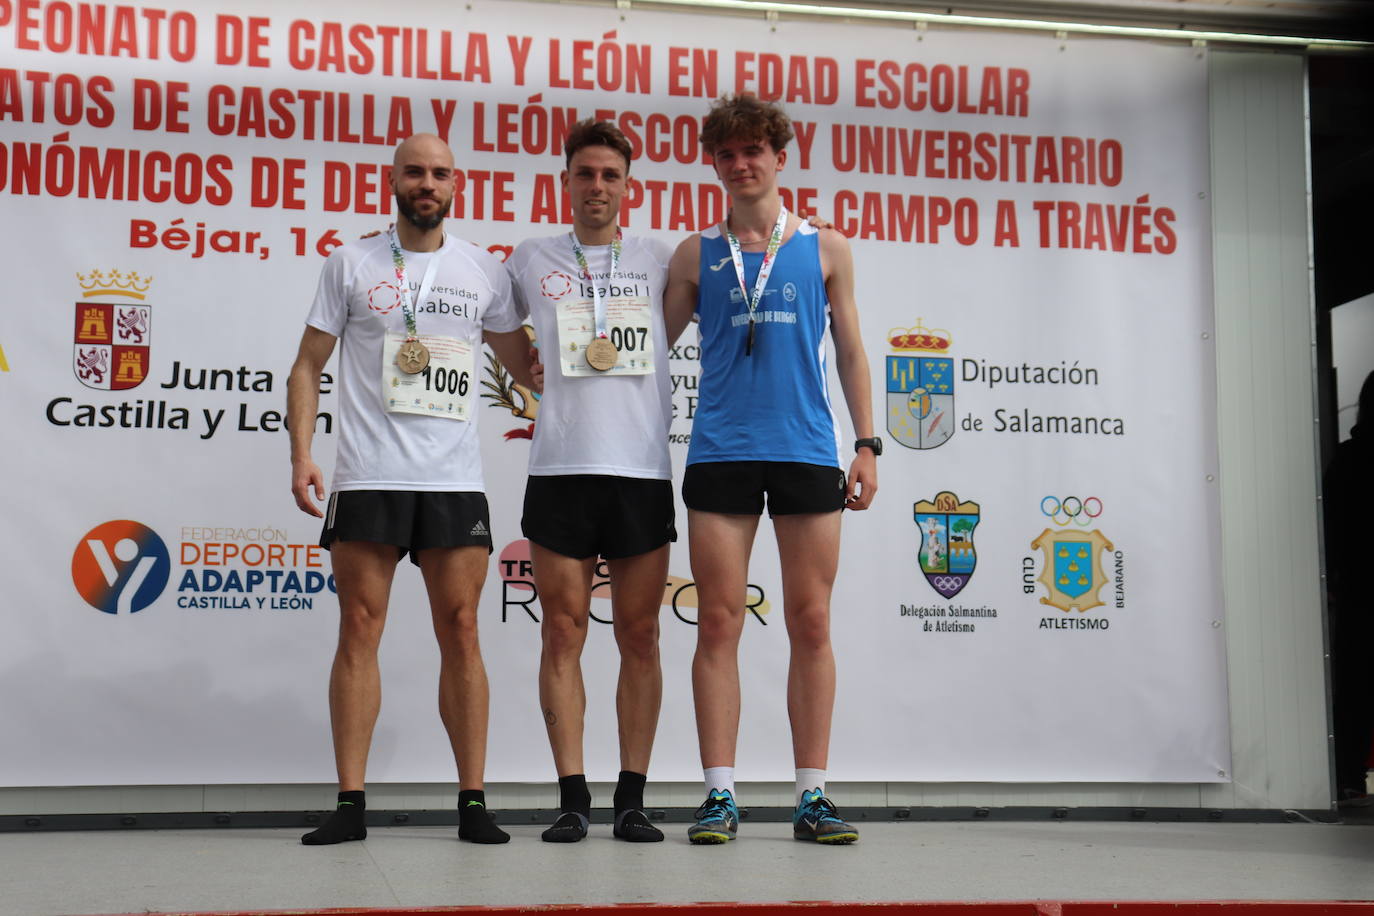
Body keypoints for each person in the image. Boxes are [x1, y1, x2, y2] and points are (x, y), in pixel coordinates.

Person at [287, 133, 535, 846]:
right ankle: (350, 803)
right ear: (393, 180)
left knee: (462, 630)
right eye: (415, 172)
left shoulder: (483, 269)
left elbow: (528, 366)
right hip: (368, 475)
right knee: (359, 628)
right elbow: (306, 366)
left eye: (440, 173)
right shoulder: (351, 262)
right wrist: (301, 454)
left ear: (457, 184)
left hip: (452, 482)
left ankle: (473, 802)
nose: (427, 183)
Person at [663, 94, 879, 845]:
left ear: (780, 157)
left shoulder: (826, 248)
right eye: (726, 153)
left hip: (806, 448)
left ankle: (812, 795)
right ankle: (719, 795)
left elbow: (851, 351)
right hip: (721, 450)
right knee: (718, 621)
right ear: (713, 164)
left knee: (810, 621)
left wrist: (867, 443)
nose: (740, 163)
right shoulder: (693, 255)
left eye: (753, 150)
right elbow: (643, 351)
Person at [503, 120, 674, 843]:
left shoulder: (661, 258)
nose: (597, 186)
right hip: (560, 467)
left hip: (640, 468)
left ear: (629, 185)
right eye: (585, 173)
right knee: (562, 633)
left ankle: (631, 799)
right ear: (566, 181)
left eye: (610, 175)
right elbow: (492, 320)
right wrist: (525, 369)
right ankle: (572, 798)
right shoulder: (529, 257)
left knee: (640, 634)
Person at [1324, 369, 1374, 807]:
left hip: (1359, 589)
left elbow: (1330, 527)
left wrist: (1333, 579)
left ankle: (1349, 778)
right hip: (1358, 587)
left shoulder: (1346, 460)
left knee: (1355, 687)